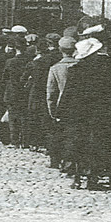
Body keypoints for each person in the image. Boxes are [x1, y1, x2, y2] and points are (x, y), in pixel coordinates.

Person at [61, 25, 111, 189]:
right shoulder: (105, 70)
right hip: (102, 115)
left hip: (80, 116)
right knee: (100, 144)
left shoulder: (75, 70)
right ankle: (95, 177)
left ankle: (78, 177)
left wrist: (61, 112)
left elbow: (68, 94)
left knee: (79, 145)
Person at [46, 35, 78, 170]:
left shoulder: (55, 68)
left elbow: (51, 92)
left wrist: (52, 111)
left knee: (61, 134)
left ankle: (61, 161)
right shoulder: (79, 65)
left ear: (61, 50)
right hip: (79, 105)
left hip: (62, 106)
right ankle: (73, 163)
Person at [2, 34, 30, 147]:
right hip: (25, 91)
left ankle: (15, 141)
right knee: (24, 116)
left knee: (13, 116)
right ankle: (25, 140)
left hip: (12, 91)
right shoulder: (29, 61)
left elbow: (4, 77)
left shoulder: (10, 62)